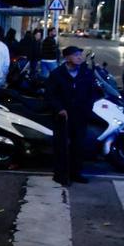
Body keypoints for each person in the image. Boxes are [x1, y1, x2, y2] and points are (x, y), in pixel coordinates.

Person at [45, 46, 95, 186]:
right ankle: (61, 175)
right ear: (67, 58)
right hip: (63, 116)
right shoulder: (57, 74)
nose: (79, 57)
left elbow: (92, 92)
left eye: (80, 55)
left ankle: (76, 173)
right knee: (62, 146)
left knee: (78, 145)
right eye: (75, 55)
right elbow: (50, 95)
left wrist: (87, 108)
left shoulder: (86, 73)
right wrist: (59, 108)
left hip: (80, 115)